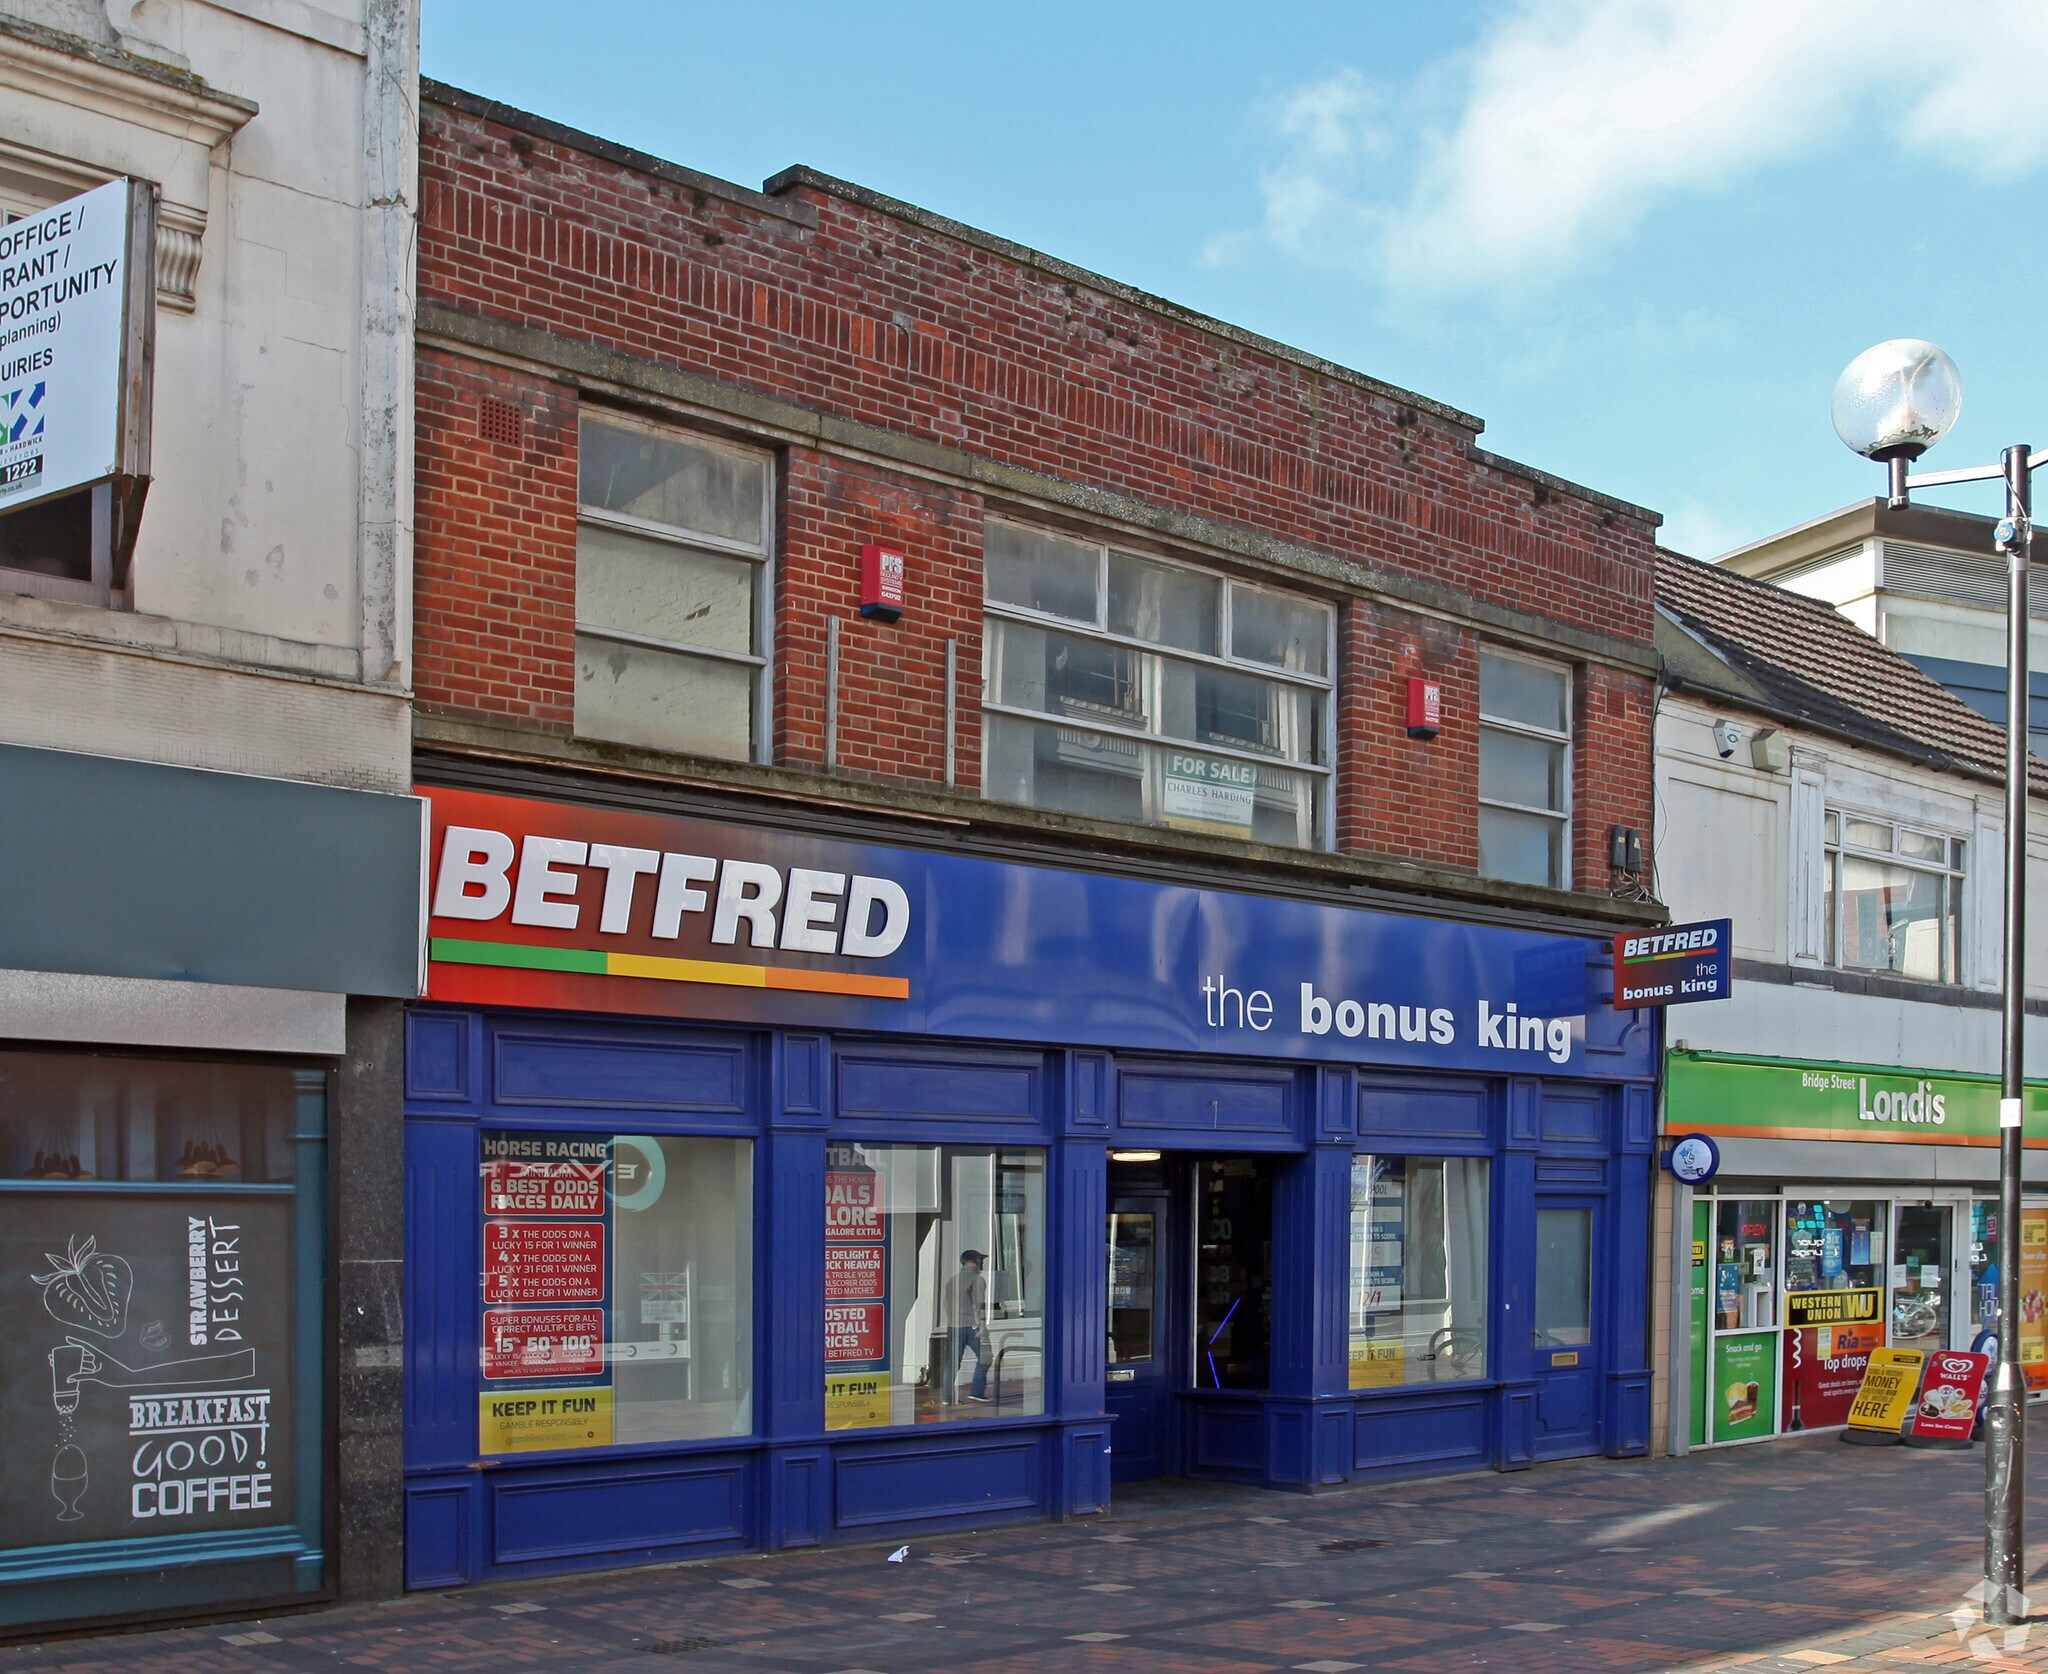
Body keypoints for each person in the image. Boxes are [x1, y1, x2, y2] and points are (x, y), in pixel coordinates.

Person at [942, 1249, 992, 1404]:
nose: (982, 1263)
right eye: (980, 1260)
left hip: (953, 1325)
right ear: (973, 1262)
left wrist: (952, 1320)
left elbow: (945, 1303)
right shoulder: (977, 1280)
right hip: (972, 1326)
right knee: (986, 1357)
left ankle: (947, 1397)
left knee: (952, 1362)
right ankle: (976, 1391)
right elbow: (978, 1305)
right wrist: (981, 1327)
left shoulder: (952, 1280)